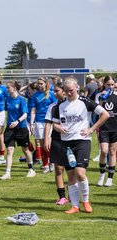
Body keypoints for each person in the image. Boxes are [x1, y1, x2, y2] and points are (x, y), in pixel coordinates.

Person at [52, 76, 109, 214]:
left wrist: (91, 129)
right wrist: (59, 128)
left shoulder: (85, 102)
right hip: (66, 143)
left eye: (71, 90)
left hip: (82, 141)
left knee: (80, 173)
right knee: (71, 176)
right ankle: (75, 206)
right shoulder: (59, 106)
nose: (69, 93)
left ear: (77, 88)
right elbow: (54, 124)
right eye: (66, 90)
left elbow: (105, 114)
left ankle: (86, 201)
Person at [0, 81, 36, 180]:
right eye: (6, 88)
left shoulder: (21, 100)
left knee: (25, 149)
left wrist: (17, 121)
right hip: (10, 128)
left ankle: (31, 169)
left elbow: (25, 114)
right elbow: (6, 111)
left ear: (14, 88)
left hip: (21, 128)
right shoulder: (7, 99)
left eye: (8, 88)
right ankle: (7, 173)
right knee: (10, 150)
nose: (7, 90)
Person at [44, 82, 68, 205]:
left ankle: (72, 195)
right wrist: (47, 138)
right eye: (54, 90)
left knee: (72, 170)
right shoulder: (53, 106)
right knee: (59, 168)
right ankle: (62, 196)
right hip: (57, 139)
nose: (54, 93)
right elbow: (48, 123)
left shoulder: (73, 105)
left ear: (64, 91)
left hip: (71, 139)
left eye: (57, 90)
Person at [30, 77, 56, 173]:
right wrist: (32, 123)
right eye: (38, 83)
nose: (39, 85)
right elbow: (33, 110)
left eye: (41, 83)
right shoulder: (35, 95)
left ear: (45, 83)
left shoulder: (51, 94)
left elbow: (55, 107)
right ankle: (45, 165)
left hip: (49, 121)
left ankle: (51, 162)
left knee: (48, 143)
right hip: (39, 121)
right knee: (41, 144)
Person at [96, 76, 116, 187]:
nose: (110, 87)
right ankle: (102, 175)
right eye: (108, 84)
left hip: (115, 128)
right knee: (104, 151)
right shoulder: (99, 96)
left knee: (113, 152)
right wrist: (102, 100)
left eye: (112, 84)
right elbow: (97, 111)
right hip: (104, 128)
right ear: (104, 84)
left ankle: (109, 178)